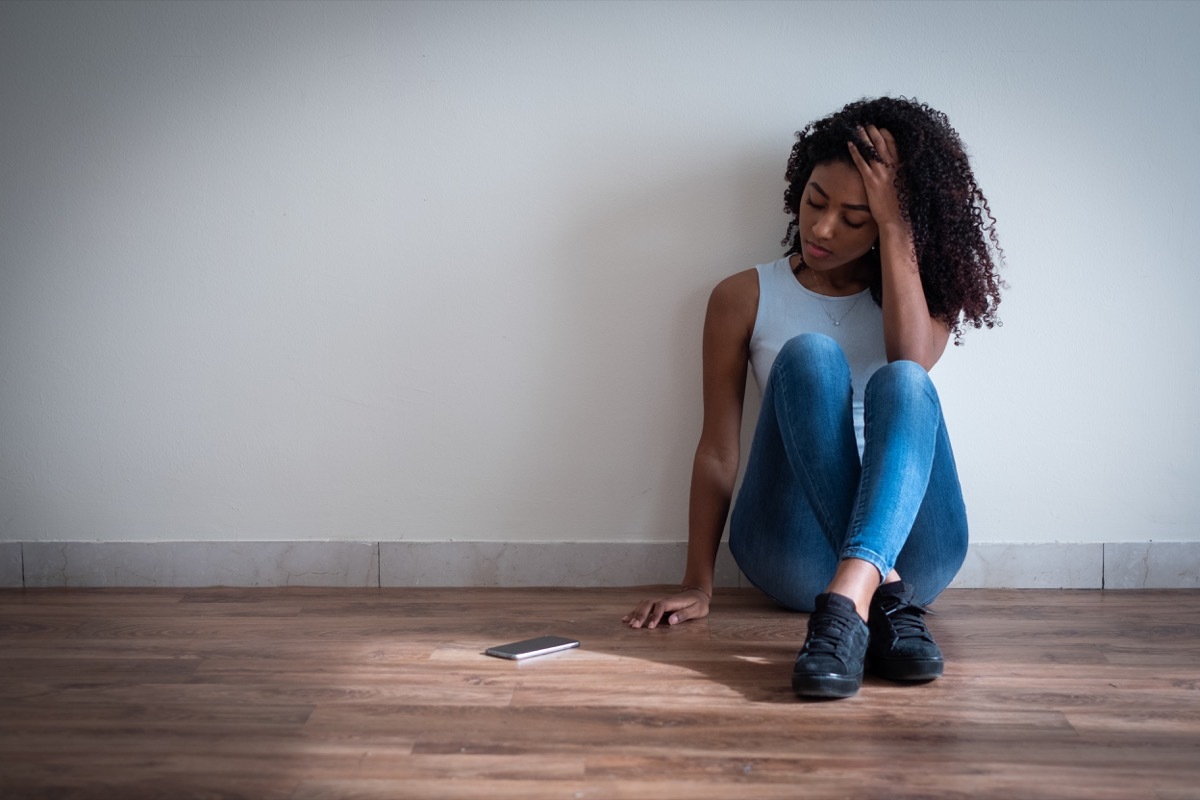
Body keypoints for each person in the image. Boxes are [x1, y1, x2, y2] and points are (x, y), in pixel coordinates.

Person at [622, 96, 1004, 699]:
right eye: (815, 202)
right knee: (809, 357)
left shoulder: (922, 293)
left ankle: (852, 595)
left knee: (906, 380)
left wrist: (896, 226)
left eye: (856, 218)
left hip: (920, 550)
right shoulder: (741, 296)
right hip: (793, 551)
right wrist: (698, 583)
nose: (823, 229)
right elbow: (718, 449)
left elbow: (911, 356)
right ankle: (879, 592)